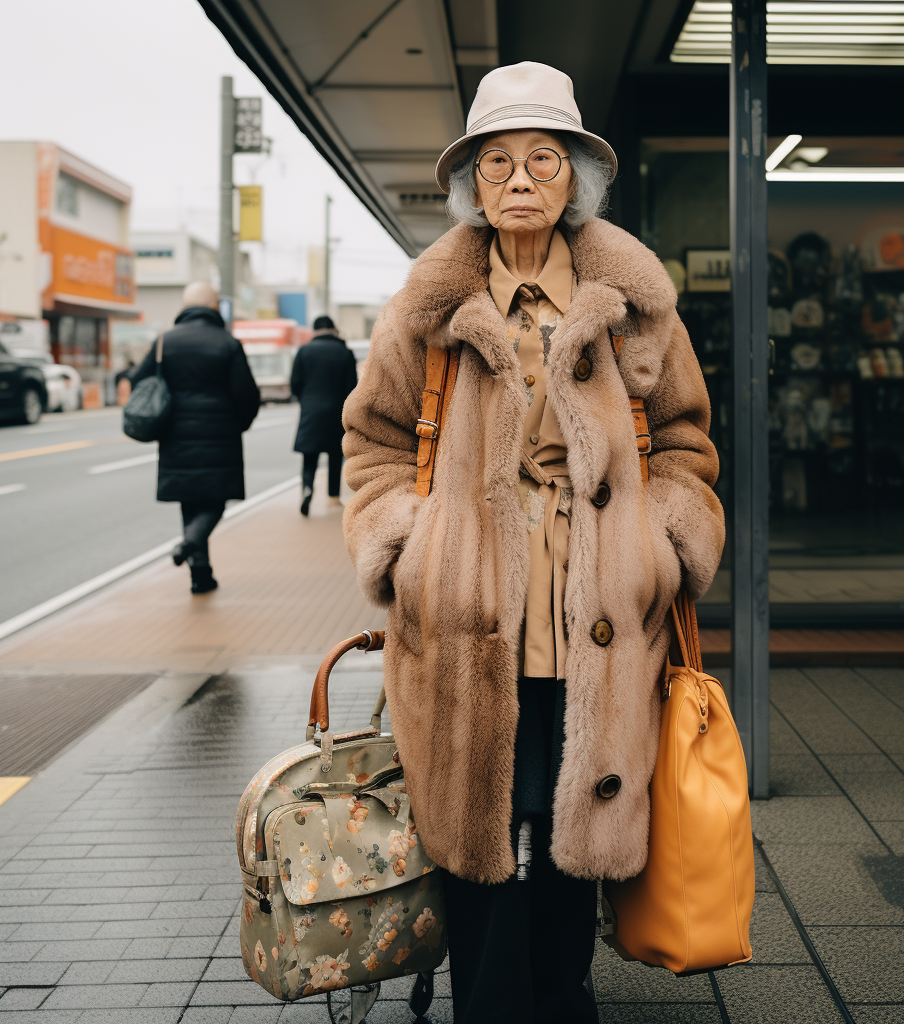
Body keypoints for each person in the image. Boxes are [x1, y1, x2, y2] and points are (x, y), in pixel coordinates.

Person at [341, 62, 724, 1023]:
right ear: (473, 181)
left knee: (569, 834)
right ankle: (489, 1007)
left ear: (575, 178)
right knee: (474, 840)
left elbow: (684, 438)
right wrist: (405, 545)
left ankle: (562, 999)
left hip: (596, 613)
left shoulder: (636, 306)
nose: (520, 179)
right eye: (499, 161)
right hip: (469, 617)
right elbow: (375, 440)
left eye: (543, 159)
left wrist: (668, 540)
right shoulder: (423, 314)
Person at [130, 282, 260, 593]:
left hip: (175, 434)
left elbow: (139, 380)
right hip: (220, 434)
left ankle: (200, 573)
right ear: (215, 307)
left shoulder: (165, 342)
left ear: (184, 307)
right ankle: (191, 545)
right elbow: (247, 395)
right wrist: (237, 424)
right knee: (215, 500)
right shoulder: (227, 343)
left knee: (190, 502)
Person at [289, 314, 359, 515]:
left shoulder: (304, 351)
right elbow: (351, 386)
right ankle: (333, 497)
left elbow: (295, 383)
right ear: (333, 329)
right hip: (336, 410)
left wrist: (305, 400)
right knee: (335, 454)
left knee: (309, 455)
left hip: (310, 410)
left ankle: (307, 488)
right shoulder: (344, 352)